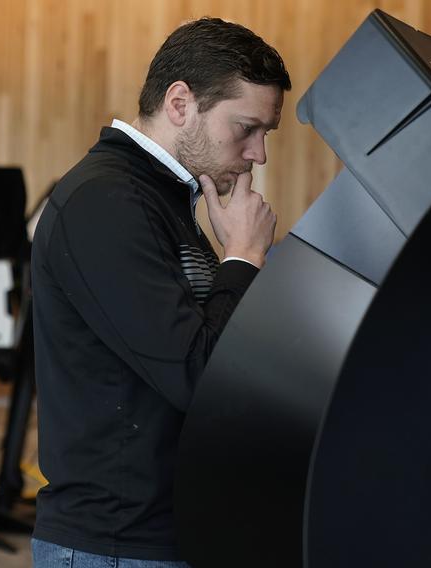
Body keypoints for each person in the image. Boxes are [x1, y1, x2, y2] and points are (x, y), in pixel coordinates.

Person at [31, 17, 291, 567]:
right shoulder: (106, 203)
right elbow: (201, 377)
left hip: (164, 533)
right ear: (180, 103)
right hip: (116, 545)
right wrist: (242, 258)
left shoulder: (163, 200)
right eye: (246, 128)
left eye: (265, 133)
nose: (257, 154)